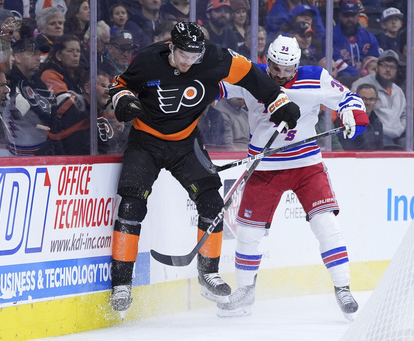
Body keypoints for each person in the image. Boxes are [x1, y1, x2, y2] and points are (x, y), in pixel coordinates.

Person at [108, 21, 301, 314]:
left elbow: (251, 74)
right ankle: (121, 284)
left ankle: (208, 274)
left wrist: (277, 99)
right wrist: (123, 100)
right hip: (145, 141)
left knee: (212, 201)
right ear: (171, 48)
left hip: (186, 143)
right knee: (132, 204)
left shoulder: (217, 58)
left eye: (194, 57)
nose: (189, 62)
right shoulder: (148, 59)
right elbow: (119, 84)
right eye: (184, 55)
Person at [215, 35, 368, 319]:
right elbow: (215, 87)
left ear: (296, 65)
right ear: (267, 60)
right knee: (248, 234)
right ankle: (245, 293)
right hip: (264, 167)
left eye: (287, 69)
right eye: (275, 67)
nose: (280, 74)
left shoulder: (315, 77)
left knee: (326, 224)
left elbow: (349, 98)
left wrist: (351, 117)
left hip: (306, 165)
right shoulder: (253, 75)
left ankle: (343, 288)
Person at [38, 34, 89, 155]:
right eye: (70, 51)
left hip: (80, 134)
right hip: (60, 139)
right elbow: (66, 105)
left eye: (78, 51)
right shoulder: (49, 74)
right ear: (58, 56)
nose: (76, 55)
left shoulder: (81, 75)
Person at [4, 36, 55, 156]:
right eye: (32, 54)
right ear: (17, 57)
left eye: (39, 54)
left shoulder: (38, 82)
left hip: (38, 149)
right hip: (14, 152)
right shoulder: (8, 81)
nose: (38, 58)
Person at [352, 49, 406, 147]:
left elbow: (405, 114)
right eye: (385, 66)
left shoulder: (398, 91)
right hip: (376, 134)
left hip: (399, 134)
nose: (388, 70)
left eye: (392, 67)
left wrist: (402, 127)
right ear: (377, 67)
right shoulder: (361, 85)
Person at [333, 0, 379, 83]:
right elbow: (335, 61)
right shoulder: (332, 34)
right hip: (342, 78)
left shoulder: (368, 37)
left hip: (366, 77)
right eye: (346, 15)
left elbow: (375, 60)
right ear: (340, 16)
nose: (350, 19)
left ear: (358, 16)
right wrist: (358, 74)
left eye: (353, 15)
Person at [336, 83, 383, 150]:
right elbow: (347, 149)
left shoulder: (377, 122)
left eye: (371, 99)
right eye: (363, 99)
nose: (368, 103)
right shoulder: (345, 120)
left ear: (376, 101)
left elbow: (380, 149)